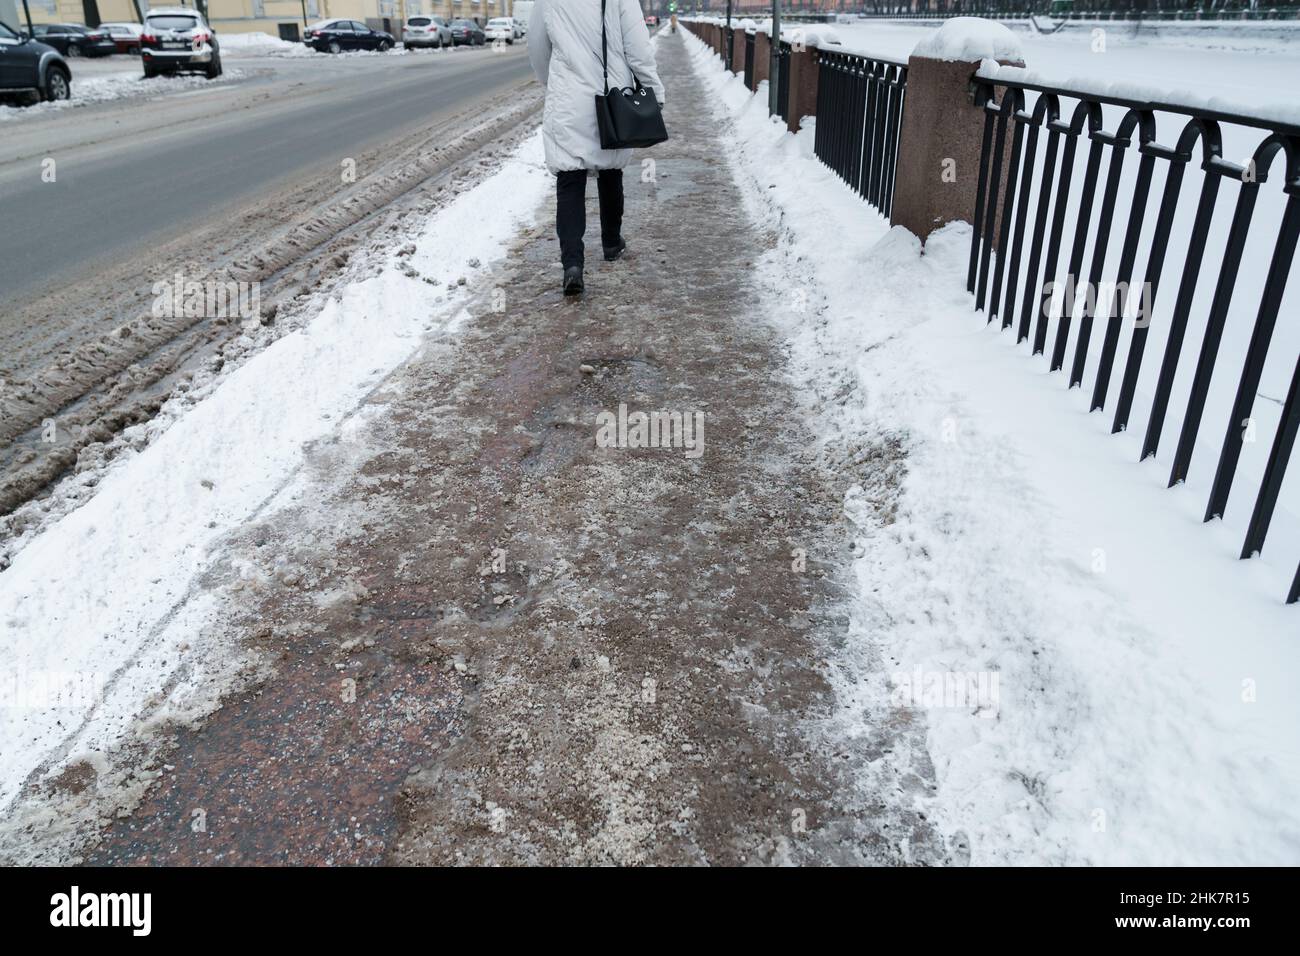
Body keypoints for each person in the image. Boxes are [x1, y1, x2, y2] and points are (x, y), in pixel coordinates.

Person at [528, 0, 665, 296]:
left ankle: (573, 265)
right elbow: (638, 48)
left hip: (568, 98)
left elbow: (537, 47)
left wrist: (552, 81)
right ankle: (612, 243)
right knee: (611, 170)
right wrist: (655, 90)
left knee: (569, 178)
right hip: (612, 97)